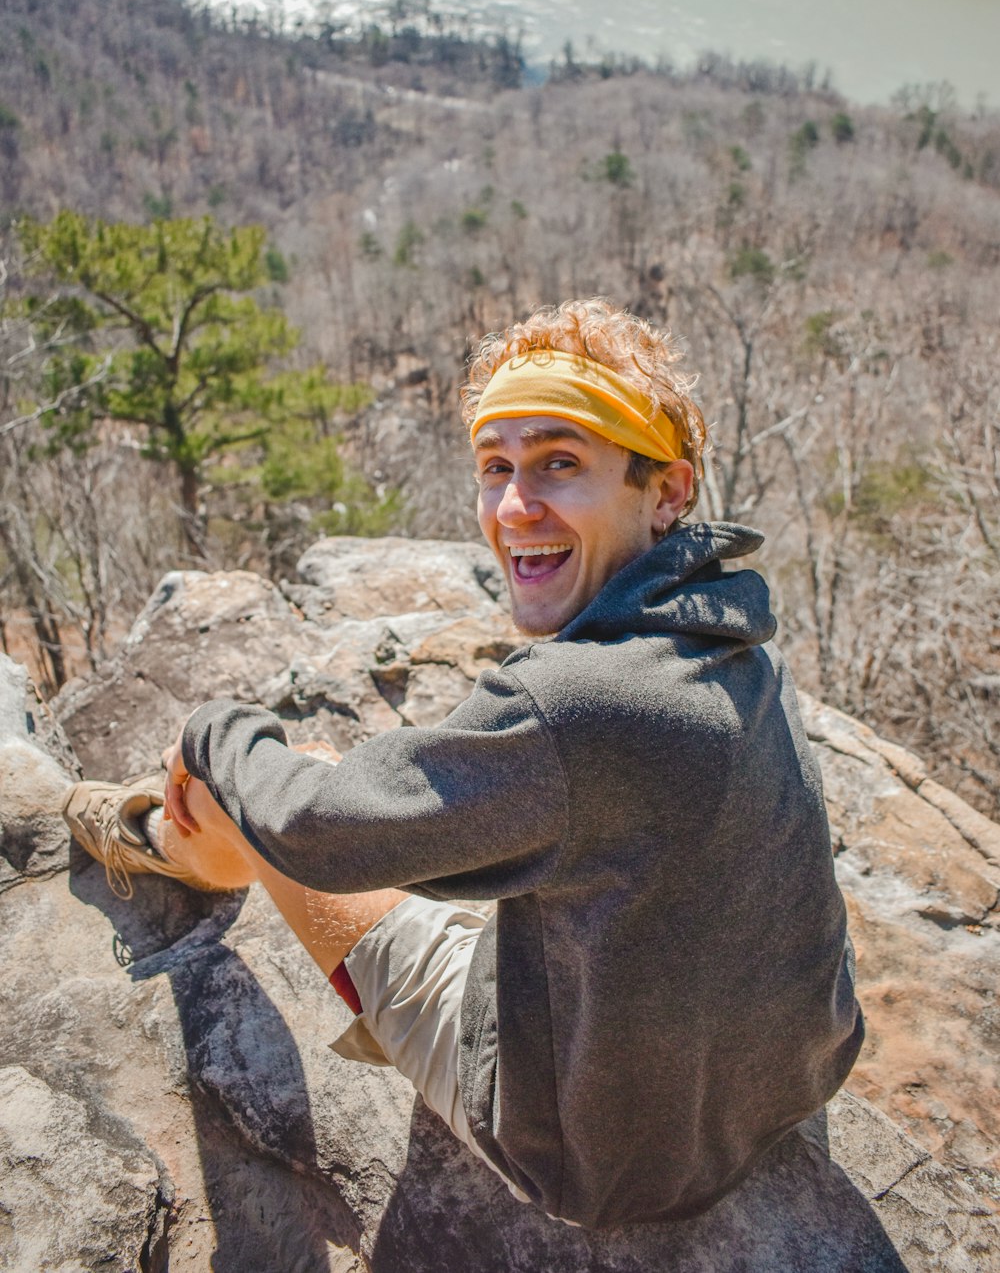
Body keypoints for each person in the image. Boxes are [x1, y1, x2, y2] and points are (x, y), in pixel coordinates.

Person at [63, 297, 863, 1229]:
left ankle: (166, 843)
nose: (516, 506)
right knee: (340, 787)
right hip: (799, 1070)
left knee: (270, 782)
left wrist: (211, 727)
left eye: (561, 464)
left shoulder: (568, 710)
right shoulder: (738, 640)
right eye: (497, 468)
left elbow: (318, 831)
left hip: (599, 1159)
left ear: (669, 490)